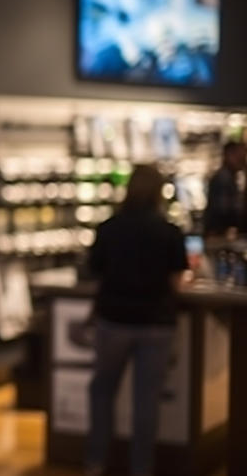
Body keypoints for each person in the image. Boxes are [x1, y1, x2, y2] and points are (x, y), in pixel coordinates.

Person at [85, 164, 188, 476]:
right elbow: (176, 281)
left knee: (102, 392)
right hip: (156, 323)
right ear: (159, 192)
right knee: (146, 400)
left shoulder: (109, 227)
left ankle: (95, 463)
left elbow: (94, 271)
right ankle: (141, 468)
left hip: (113, 319)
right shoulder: (169, 231)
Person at [203, 141, 246, 237]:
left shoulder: (228, 177)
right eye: (240, 157)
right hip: (219, 235)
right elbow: (223, 212)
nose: (243, 160)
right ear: (229, 155)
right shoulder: (224, 178)